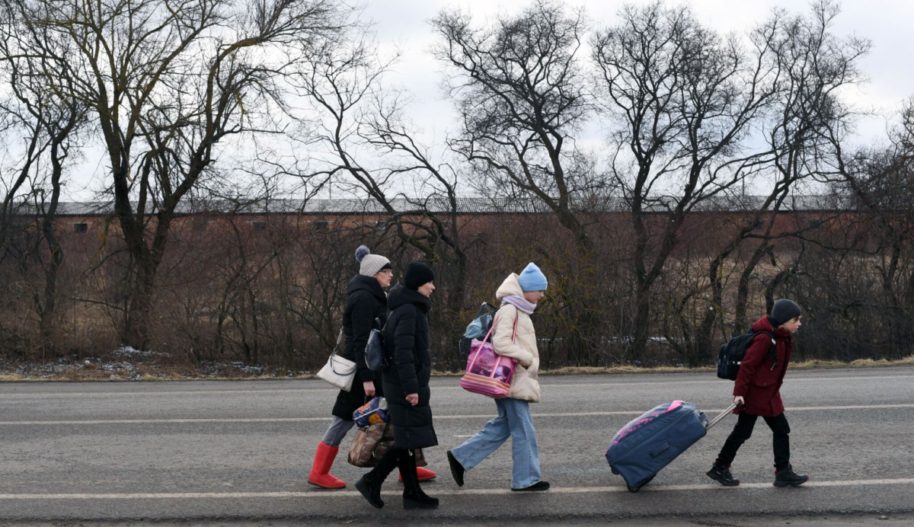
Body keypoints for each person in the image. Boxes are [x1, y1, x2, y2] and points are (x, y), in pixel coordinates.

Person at [308, 246, 436, 488]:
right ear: (373, 273)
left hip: (375, 370)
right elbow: (360, 340)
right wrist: (366, 378)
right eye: (385, 271)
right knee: (344, 419)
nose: (390, 275)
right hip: (362, 372)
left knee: (397, 417)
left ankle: (408, 469)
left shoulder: (376, 296)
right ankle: (319, 471)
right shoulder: (363, 299)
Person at [446, 262, 550, 492]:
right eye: (539, 290)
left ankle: (461, 457)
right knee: (524, 430)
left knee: (504, 426)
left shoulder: (517, 308)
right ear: (527, 289)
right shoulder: (510, 310)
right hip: (511, 379)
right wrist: (526, 358)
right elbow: (501, 343)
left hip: (512, 378)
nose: (542, 295)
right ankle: (526, 480)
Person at [355, 262, 440, 509]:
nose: (433, 287)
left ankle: (412, 492)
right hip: (404, 385)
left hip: (403, 383)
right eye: (429, 282)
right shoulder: (409, 311)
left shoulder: (407, 308)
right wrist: (411, 389)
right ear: (417, 284)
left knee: (409, 438)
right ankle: (372, 480)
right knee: (407, 439)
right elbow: (403, 354)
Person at [706, 298, 809, 488]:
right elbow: (747, 366)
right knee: (744, 432)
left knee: (779, 430)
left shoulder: (781, 336)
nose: (799, 324)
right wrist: (739, 393)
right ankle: (720, 467)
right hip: (754, 394)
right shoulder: (764, 339)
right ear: (784, 320)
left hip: (768, 393)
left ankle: (783, 472)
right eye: (796, 320)